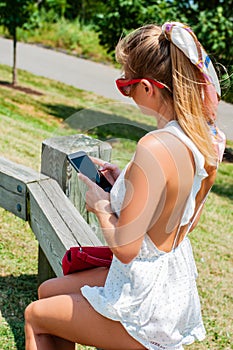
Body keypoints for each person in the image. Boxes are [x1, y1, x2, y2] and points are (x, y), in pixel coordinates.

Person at [24, 22, 226, 350]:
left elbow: (126, 248)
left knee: (36, 315)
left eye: (125, 85)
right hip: (170, 285)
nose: (126, 93)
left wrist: (101, 204)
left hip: (145, 297)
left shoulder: (155, 146)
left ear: (148, 87)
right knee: (49, 291)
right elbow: (185, 219)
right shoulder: (202, 142)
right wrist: (127, 186)